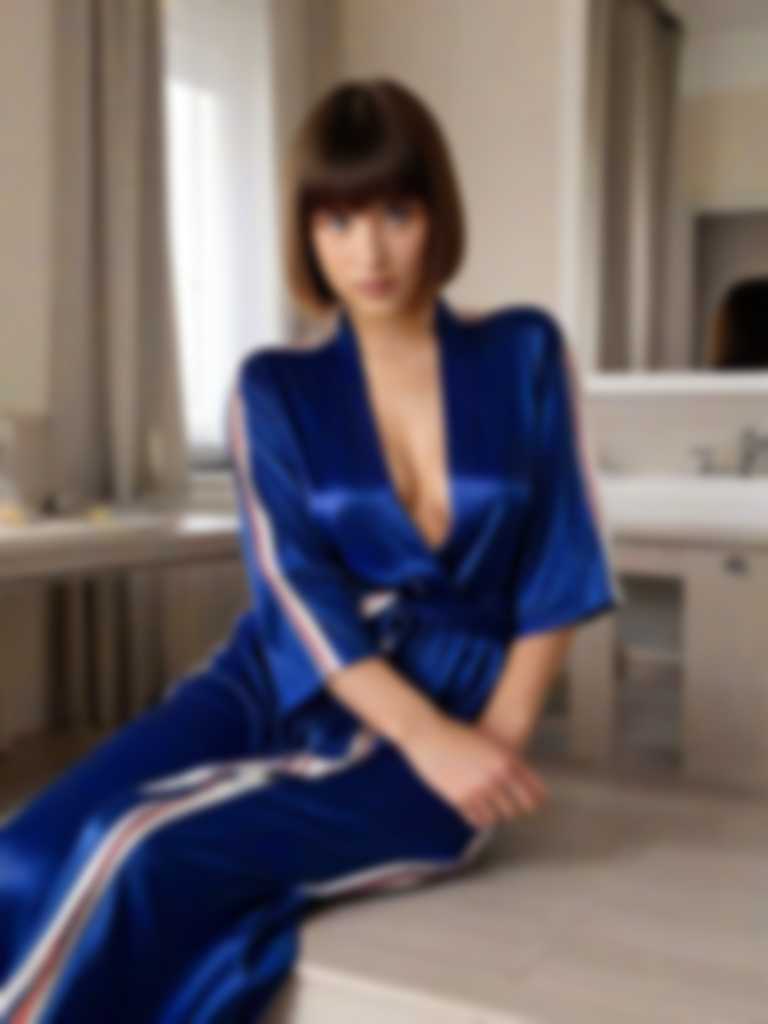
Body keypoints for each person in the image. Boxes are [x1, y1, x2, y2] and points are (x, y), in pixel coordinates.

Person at [0, 77, 623, 1022]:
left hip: (457, 692)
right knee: (24, 853)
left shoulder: (523, 351)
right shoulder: (273, 387)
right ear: (305, 232)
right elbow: (296, 592)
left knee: (146, 851)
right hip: (283, 676)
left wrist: (492, 740)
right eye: (336, 221)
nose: (368, 252)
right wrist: (425, 736)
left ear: (437, 213)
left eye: (396, 213)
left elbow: (560, 560)